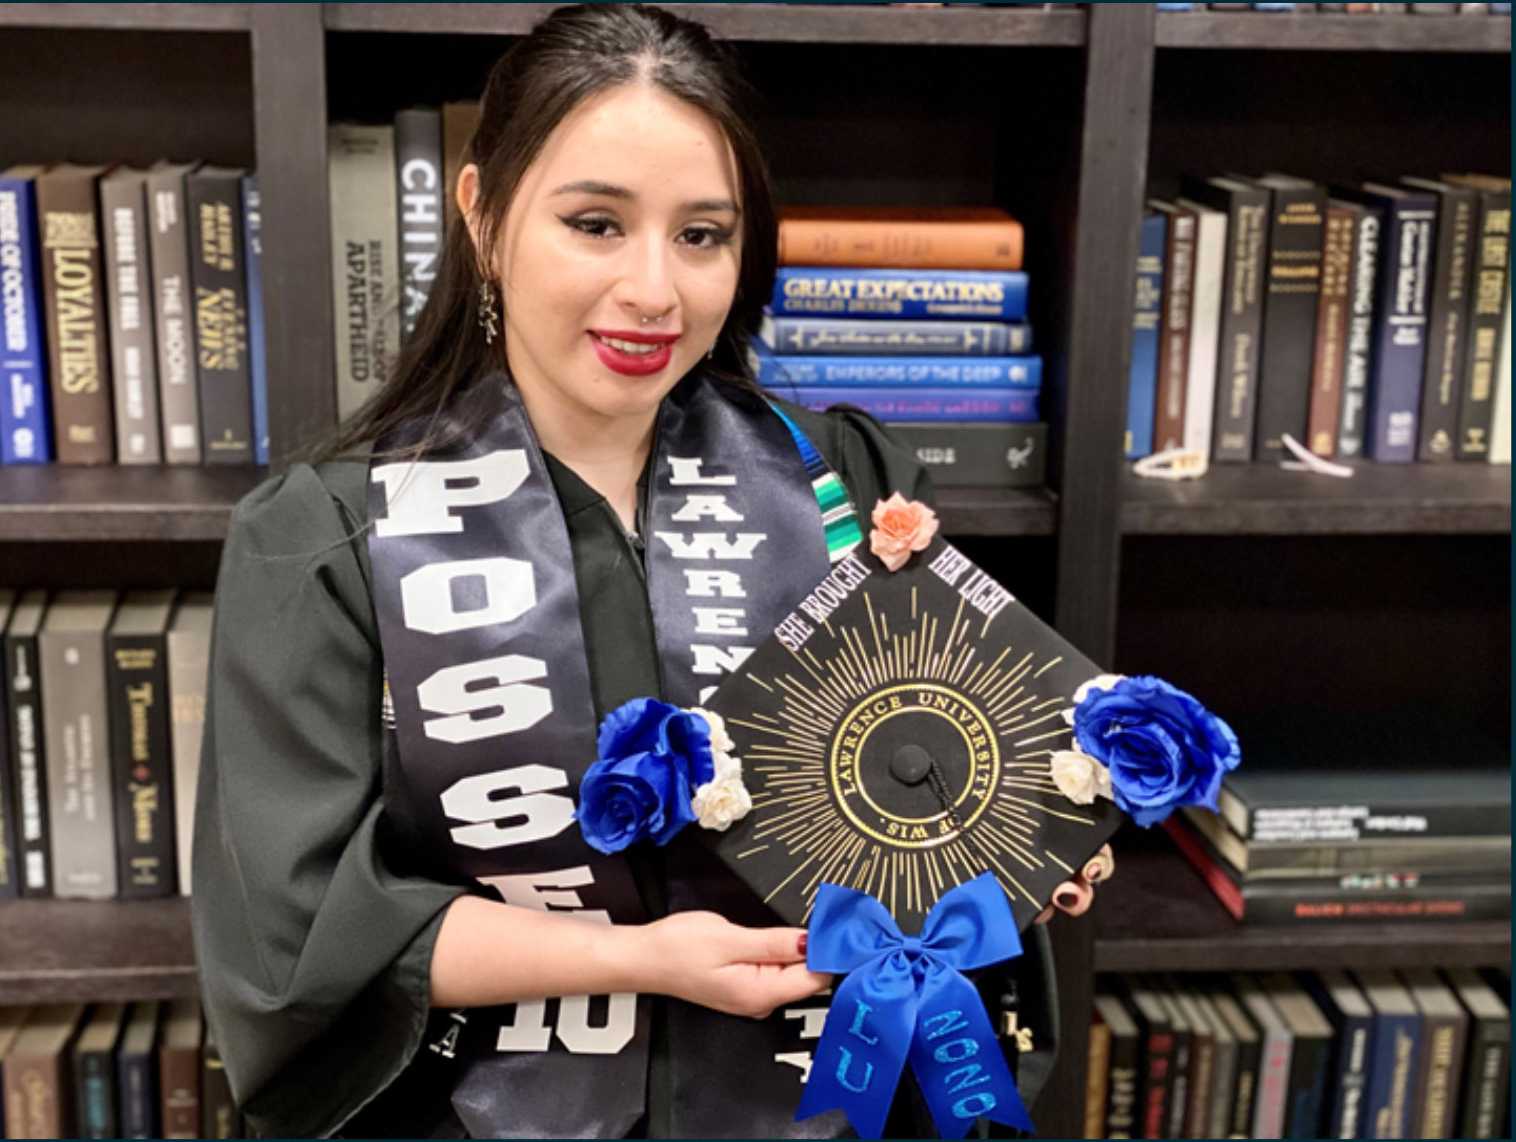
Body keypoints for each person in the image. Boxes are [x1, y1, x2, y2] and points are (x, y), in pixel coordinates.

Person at [190, 6, 1112, 1138]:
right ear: (482, 215)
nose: (654, 292)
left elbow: (921, 783)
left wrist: (1022, 843)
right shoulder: (331, 532)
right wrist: (639, 959)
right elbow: (301, 924)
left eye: (701, 235)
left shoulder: (840, 479)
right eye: (595, 223)